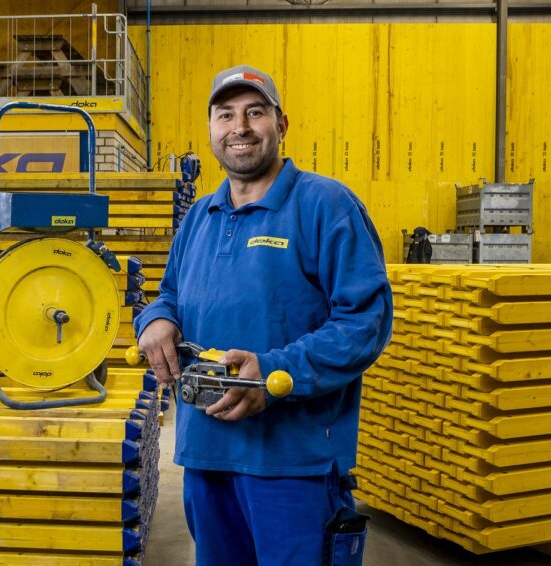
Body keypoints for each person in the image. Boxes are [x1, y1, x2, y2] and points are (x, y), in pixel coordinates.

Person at [134, 65, 393, 566]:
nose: (240, 127)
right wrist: (156, 320)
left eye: (255, 112)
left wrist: (275, 371)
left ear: (281, 124)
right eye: (225, 115)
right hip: (205, 457)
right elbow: (170, 294)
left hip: (293, 465)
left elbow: (365, 321)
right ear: (211, 129)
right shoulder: (200, 217)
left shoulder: (326, 205)